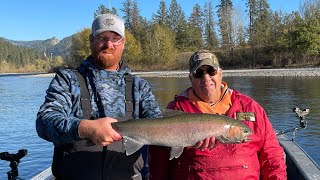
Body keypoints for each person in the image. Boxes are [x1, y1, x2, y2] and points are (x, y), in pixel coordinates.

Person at [36, 13, 162, 180]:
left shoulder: (140, 87)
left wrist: (190, 135)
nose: (108, 44)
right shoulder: (67, 80)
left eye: (115, 38)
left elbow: (159, 124)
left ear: (123, 43)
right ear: (91, 41)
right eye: (102, 37)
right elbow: (44, 122)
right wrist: (85, 128)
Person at [148, 50, 287, 180]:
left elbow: (272, 156)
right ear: (190, 78)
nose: (206, 78)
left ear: (220, 73)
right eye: (198, 73)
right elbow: (158, 161)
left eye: (211, 71)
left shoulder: (250, 107)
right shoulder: (177, 109)